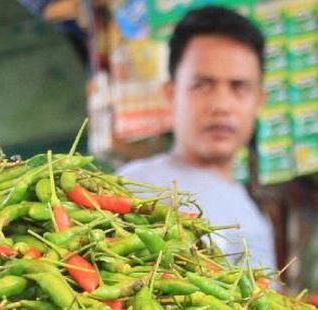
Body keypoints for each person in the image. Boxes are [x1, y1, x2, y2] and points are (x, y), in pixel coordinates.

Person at [119, 5, 277, 273]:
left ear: (258, 101)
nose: (221, 105)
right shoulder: (136, 186)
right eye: (202, 85)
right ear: (171, 94)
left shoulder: (254, 213)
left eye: (239, 87)